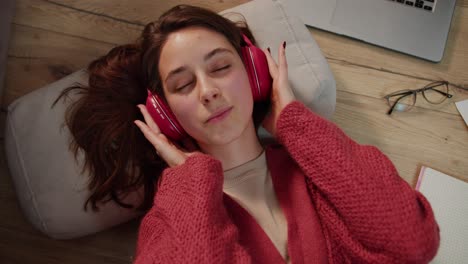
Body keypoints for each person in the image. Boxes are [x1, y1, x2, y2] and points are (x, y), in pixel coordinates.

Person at [57, 4, 440, 264]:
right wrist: (190, 183)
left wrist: (293, 120)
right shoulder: (171, 220)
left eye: (221, 66)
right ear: (165, 114)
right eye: (183, 84)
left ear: (254, 72)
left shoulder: (321, 169)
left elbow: (413, 241)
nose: (207, 90)